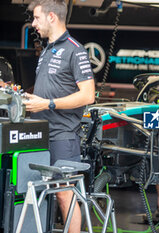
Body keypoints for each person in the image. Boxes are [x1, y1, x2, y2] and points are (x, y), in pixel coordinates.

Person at [25, 1, 95, 232]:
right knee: (37, 193)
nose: (33, 23)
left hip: (63, 136)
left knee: (66, 194)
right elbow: (46, 92)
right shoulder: (46, 50)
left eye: (36, 18)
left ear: (52, 17)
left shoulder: (75, 50)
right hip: (38, 134)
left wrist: (49, 103)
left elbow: (88, 95)